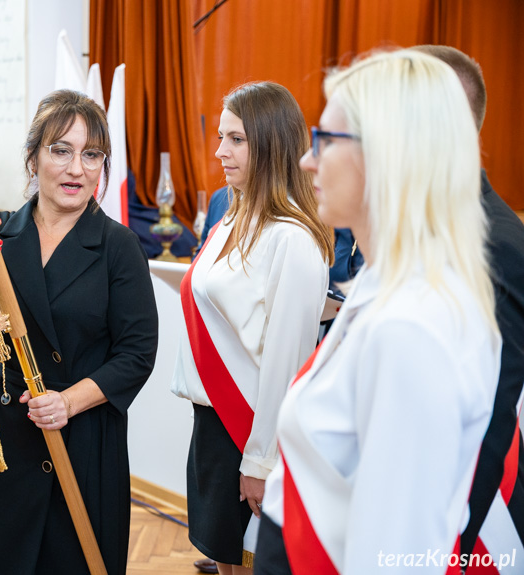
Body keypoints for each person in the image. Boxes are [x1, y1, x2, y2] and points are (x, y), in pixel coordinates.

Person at [255, 50, 502, 574]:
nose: (306, 160)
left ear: (389, 155)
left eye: (325, 140)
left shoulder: (412, 325)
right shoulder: (387, 285)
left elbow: (394, 556)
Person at [0, 89, 158, 575]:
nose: (77, 169)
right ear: (33, 158)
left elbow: (137, 353)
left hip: (84, 443)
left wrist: (67, 402)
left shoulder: (118, 247)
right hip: (8, 441)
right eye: (61, 150)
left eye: (91, 155)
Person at [171, 82, 334, 575]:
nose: (220, 151)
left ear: (271, 142)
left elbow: (288, 360)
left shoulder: (295, 240)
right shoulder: (229, 219)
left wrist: (260, 460)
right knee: (225, 560)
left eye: (236, 139)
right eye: (221, 137)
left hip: (249, 433)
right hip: (213, 424)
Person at [410, 44, 524, 569]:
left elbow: (490, 419)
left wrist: (446, 549)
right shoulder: (422, 224)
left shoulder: (492, 244)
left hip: (467, 522)